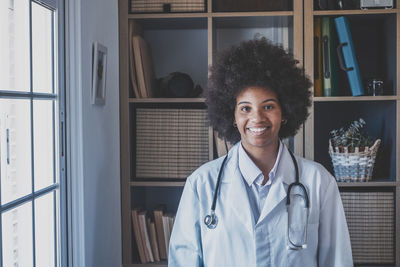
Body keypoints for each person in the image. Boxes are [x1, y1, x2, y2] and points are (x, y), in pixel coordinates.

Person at [168, 37, 353, 267]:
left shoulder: (318, 182)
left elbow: (337, 261)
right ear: (232, 116)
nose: (257, 118)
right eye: (245, 108)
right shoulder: (201, 184)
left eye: (268, 106)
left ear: (284, 112)